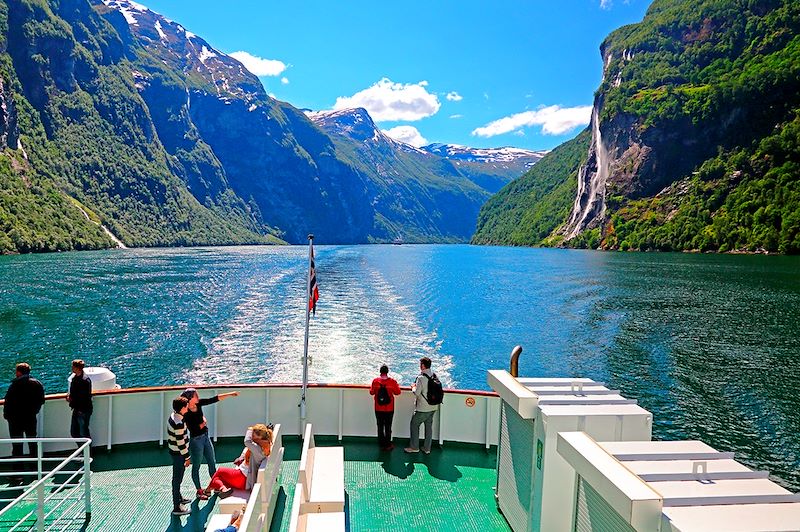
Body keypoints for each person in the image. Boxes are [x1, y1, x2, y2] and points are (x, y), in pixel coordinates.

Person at [180, 387, 239, 500]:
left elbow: (214, 399)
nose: (198, 397)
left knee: (212, 462)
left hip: (205, 437)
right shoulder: (186, 412)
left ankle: (218, 486)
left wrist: (230, 394)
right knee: (196, 466)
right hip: (196, 441)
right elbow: (192, 428)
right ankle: (199, 490)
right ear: (190, 398)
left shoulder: (199, 404)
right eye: (196, 395)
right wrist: (203, 423)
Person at [201, 424, 272, 498]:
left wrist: (250, 429)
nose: (252, 438)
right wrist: (241, 458)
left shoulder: (258, 448)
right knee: (217, 479)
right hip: (245, 478)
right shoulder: (265, 446)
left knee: (219, 471)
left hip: (243, 478)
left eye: (253, 436)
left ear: (260, 437)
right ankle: (221, 489)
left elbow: (247, 441)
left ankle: (208, 490)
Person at [3, 363, 45, 475]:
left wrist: (7, 416)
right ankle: (35, 468)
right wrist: (34, 411)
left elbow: (8, 402)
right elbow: (41, 400)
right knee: (32, 442)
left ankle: (18, 472)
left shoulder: (15, 385)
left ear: (19, 372)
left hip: (15, 420)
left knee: (17, 445)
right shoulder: (36, 384)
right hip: (30, 418)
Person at [404, 357, 439, 455]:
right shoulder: (434, 375)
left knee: (414, 425)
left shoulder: (421, 378)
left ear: (423, 365)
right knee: (429, 427)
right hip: (433, 407)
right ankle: (427, 448)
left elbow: (417, 393)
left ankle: (414, 447)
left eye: (420, 364)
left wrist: (413, 387)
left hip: (422, 408)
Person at [168, 396, 191, 516]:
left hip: (174, 451)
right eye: (186, 406)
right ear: (182, 408)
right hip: (179, 454)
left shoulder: (174, 416)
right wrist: (187, 457)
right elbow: (180, 443)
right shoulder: (178, 423)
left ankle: (179, 499)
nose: (188, 408)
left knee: (177, 478)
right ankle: (176, 506)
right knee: (177, 479)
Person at [369, 364, 401, 450]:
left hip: (378, 408)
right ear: (387, 372)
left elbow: (371, 392)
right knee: (388, 426)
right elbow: (398, 392)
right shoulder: (392, 382)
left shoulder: (375, 381)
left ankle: (381, 444)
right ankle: (388, 444)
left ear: (380, 372)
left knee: (380, 426)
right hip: (389, 408)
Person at [66, 359, 93, 443]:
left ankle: (87, 453)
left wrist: (71, 399)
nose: (72, 368)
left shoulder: (84, 381)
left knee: (83, 433)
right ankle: (83, 451)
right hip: (77, 409)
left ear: (77, 368)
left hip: (83, 410)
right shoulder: (76, 378)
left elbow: (84, 397)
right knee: (75, 432)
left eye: (73, 366)